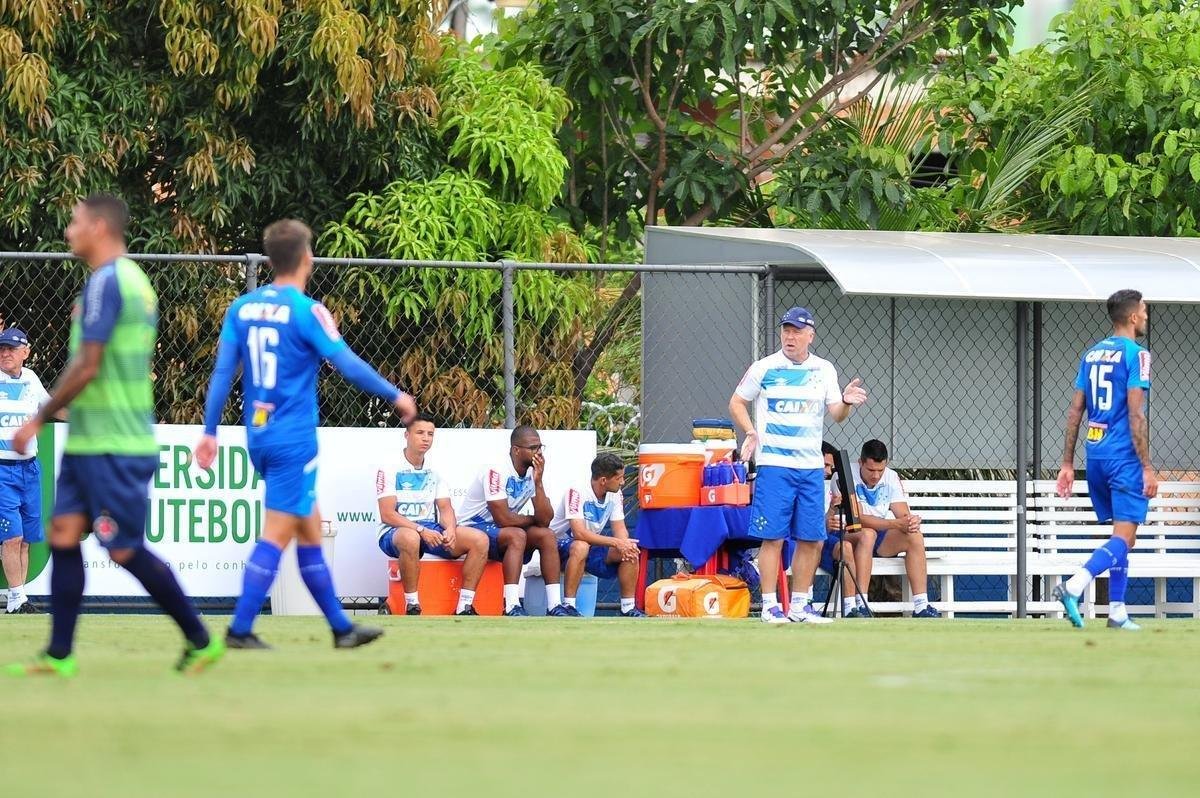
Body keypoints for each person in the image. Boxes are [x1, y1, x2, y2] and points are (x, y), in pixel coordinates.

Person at [5, 194, 222, 677]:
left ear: (99, 227)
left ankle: (201, 638)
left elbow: (89, 363)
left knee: (122, 548)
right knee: (62, 534)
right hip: (89, 441)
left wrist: (38, 419)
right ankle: (60, 655)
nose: (68, 231)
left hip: (115, 443)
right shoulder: (126, 281)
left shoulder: (110, 280)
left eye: (75, 222)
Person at [196, 219, 417, 649]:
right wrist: (395, 395)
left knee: (310, 529)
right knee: (277, 533)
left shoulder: (241, 308)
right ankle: (240, 629)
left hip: (258, 434)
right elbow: (347, 363)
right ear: (305, 258)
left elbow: (224, 371)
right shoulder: (307, 310)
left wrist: (209, 431)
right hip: (293, 439)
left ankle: (341, 628)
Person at [730, 306, 867, 624]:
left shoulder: (824, 370)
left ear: (810, 335)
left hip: (810, 469)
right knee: (774, 537)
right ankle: (769, 606)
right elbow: (737, 401)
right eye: (786, 330)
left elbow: (837, 414)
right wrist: (750, 431)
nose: (790, 337)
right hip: (774, 465)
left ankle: (800, 606)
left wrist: (845, 402)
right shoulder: (764, 368)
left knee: (813, 537)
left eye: (797, 331)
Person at [1054, 289, 1154, 631]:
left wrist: (1067, 464)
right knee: (1124, 537)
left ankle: (1117, 611)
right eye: (1143, 309)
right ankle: (1074, 585)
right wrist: (1146, 467)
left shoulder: (1092, 353)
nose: (1146, 314)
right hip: (1123, 457)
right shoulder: (1137, 355)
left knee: (1125, 537)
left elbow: (1074, 411)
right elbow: (1136, 415)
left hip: (1094, 454)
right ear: (1132, 317)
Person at [376, 413, 487, 616]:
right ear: (407, 435)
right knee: (410, 538)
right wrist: (421, 530)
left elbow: (445, 508)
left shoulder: (435, 469)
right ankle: (412, 605)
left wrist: (451, 528)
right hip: (395, 531)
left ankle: (464, 606)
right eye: (420, 433)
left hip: (428, 527)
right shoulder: (389, 467)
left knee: (479, 539)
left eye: (430, 434)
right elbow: (387, 514)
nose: (426, 438)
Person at [457, 426, 564, 616]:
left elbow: (546, 520)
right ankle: (512, 605)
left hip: (501, 531)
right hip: (473, 528)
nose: (538, 453)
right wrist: (533, 519)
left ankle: (555, 605)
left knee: (547, 535)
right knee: (517, 534)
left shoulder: (532, 473)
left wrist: (538, 482)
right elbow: (503, 518)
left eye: (540, 447)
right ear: (516, 450)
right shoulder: (496, 469)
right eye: (533, 448)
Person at [846, 439, 940, 618]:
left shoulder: (891, 476)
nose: (876, 475)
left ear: (886, 464)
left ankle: (921, 605)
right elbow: (857, 518)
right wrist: (896, 524)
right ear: (860, 462)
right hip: (853, 534)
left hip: (879, 537)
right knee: (868, 533)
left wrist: (910, 521)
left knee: (914, 535)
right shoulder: (845, 473)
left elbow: (902, 513)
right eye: (871, 470)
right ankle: (862, 604)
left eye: (880, 470)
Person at [551, 452, 644, 617]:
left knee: (631, 550)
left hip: (590, 546)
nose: (623, 482)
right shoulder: (576, 491)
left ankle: (628, 608)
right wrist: (616, 542)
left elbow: (620, 528)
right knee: (580, 546)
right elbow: (578, 532)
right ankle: (568, 606)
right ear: (603, 480)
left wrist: (624, 545)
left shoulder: (615, 494)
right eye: (619, 478)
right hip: (558, 546)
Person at [0, 329, 50, 614]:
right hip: (2, 470)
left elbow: (51, 406)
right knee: (12, 537)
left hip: (29, 470)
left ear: (25, 352)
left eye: (11, 349)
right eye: (1, 349)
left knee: (26, 539)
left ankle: (20, 598)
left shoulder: (31, 379)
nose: (5, 353)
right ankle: (16, 600)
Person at [818, 441, 869, 618]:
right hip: (805, 542)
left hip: (826, 539)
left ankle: (849, 608)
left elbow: (827, 524)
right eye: (825, 465)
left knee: (846, 546)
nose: (828, 471)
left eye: (830, 466)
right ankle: (804, 603)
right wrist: (826, 523)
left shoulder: (830, 486)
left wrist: (832, 512)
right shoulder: (800, 486)